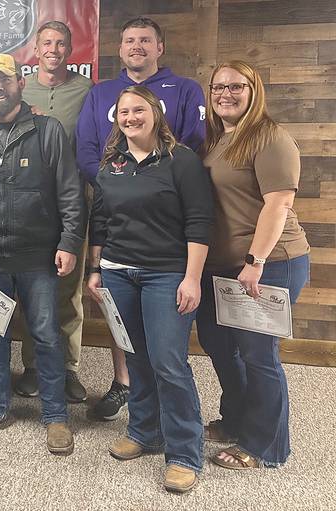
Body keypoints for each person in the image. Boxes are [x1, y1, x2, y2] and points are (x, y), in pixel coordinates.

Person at [0, 53, 87, 454]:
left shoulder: (47, 131)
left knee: (46, 335)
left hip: (38, 258)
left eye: (5, 80)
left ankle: (55, 415)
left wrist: (68, 243)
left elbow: (70, 193)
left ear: (20, 85)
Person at [75, 16, 206, 421]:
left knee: (166, 355)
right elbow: (86, 149)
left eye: (145, 40)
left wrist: (150, 174)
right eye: (129, 40)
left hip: (166, 230)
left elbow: (195, 143)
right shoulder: (101, 93)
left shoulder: (184, 89)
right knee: (127, 328)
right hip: (117, 225)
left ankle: (181, 443)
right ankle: (124, 386)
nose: (137, 46)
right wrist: (120, 177)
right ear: (120, 48)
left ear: (159, 47)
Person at [87, 85, 213, 492]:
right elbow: (101, 220)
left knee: (168, 363)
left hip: (167, 274)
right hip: (118, 273)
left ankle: (183, 452)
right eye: (123, 112)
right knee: (135, 358)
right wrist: (95, 270)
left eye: (138, 110)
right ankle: (144, 431)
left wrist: (192, 277)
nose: (130, 118)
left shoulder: (182, 161)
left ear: (155, 112)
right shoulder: (112, 164)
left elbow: (198, 221)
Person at [197, 60, 310, 470]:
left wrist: (255, 261)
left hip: (269, 263)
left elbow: (279, 203)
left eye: (236, 87)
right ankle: (236, 420)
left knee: (259, 354)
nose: (225, 94)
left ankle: (266, 446)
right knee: (219, 346)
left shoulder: (270, 137)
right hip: (221, 266)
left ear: (253, 90)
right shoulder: (214, 140)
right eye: (218, 87)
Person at [14, 20, 93, 403]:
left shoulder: (86, 91)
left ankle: (68, 369)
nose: (54, 50)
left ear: (70, 48)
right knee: (34, 287)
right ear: (35, 48)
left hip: (72, 203)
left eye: (61, 44)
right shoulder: (20, 88)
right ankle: (33, 366)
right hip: (29, 205)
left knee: (68, 290)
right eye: (47, 43)